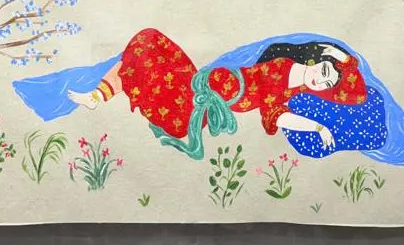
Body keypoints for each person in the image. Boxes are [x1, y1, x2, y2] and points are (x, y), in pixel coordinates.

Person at [67, 28, 367, 156]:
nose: (321, 82)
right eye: (323, 72)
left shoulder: (283, 92)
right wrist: (342, 59)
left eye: (326, 84)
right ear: (316, 62)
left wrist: (318, 127)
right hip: (194, 81)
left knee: (146, 60)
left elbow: (356, 94)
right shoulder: (282, 64)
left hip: (192, 106)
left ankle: (97, 97)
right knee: (149, 44)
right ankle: (97, 96)